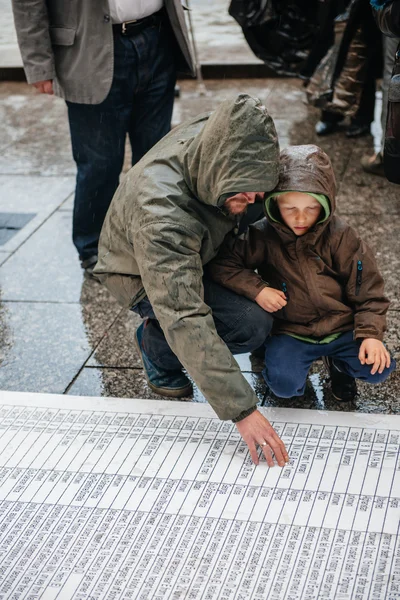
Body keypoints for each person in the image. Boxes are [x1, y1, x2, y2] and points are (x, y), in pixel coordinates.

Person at [94, 94, 289, 467]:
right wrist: (243, 411)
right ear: (219, 167)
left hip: (198, 243)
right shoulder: (162, 217)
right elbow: (183, 312)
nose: (255, 197)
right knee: (249, 325)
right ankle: (155, 345)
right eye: (245, 189)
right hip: (135, 270)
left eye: (257, 185)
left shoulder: (221, 134)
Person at [11, 0, 195, 275]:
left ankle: (154, 238)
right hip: (90, 47)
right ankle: (94, 249)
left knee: (157, 157)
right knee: (100, 163)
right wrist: (38, 61)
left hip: (158, 35)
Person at [208, 144, 396, 401]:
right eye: (290, 209)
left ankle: (340, 365)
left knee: (379, 368)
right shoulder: (262, 234)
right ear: (274, 205)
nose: (300, 218)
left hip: (342, 327)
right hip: (291, 330)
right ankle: (273, 358)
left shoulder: (342, 236)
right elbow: (224, 264)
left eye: (311, 209)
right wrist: (258, 289)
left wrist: (371, 335)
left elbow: (370, 292)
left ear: (326, 203)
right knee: (285, 388)